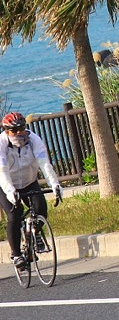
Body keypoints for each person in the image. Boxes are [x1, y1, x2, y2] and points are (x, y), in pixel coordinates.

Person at [0, 112, 63, 269]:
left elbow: (44, 163)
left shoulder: (33, 139)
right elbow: (2, 170)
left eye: (22, 128)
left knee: (41, 208)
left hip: (29, 180)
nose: (19, 133)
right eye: (14, 130)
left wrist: (55, 184)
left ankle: (34, 234)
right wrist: (9, 191)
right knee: (15, 213)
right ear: (6, 131)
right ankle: (16, 254)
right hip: (4, 184)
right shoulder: (1, 144)